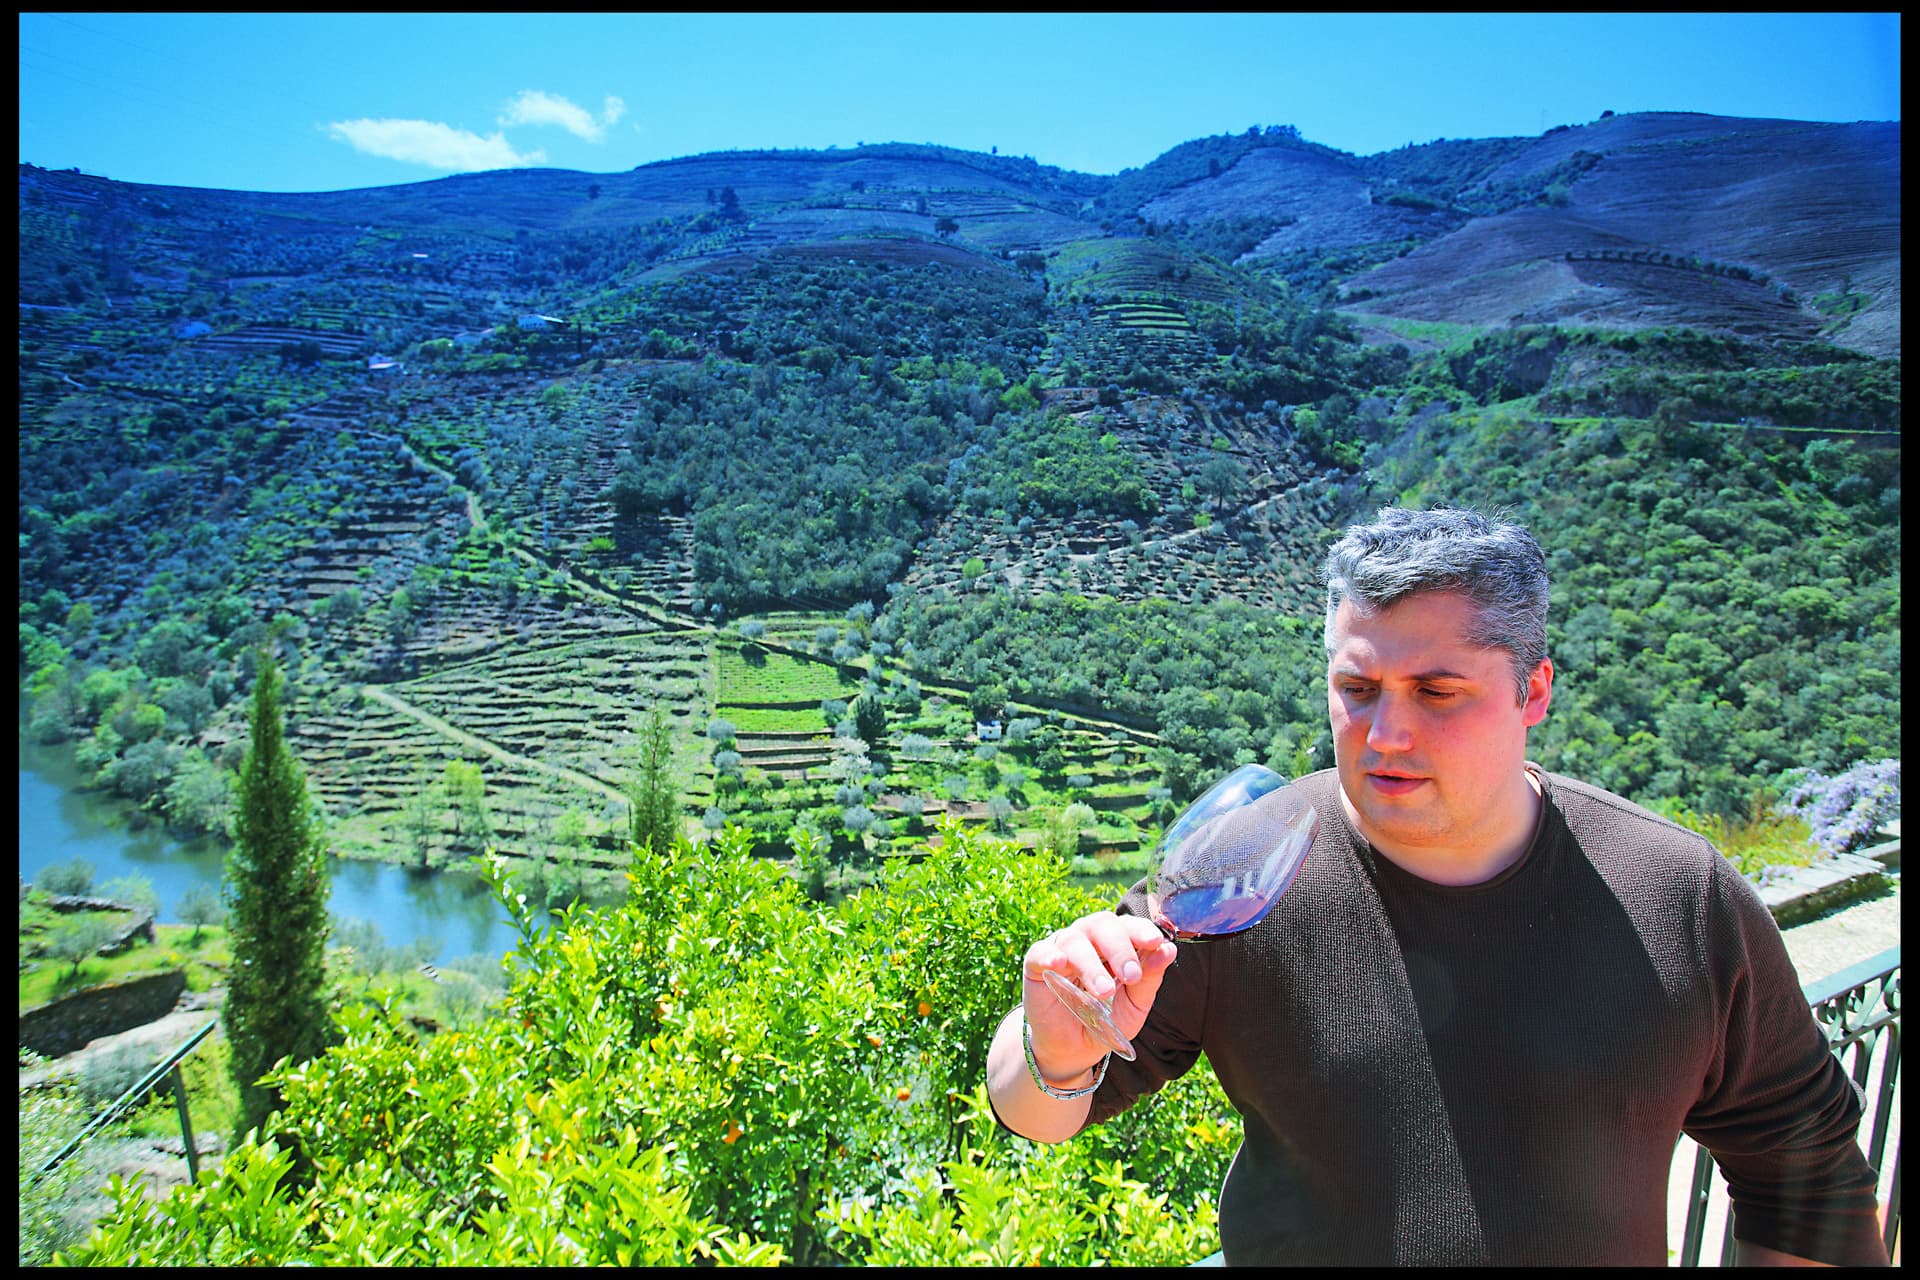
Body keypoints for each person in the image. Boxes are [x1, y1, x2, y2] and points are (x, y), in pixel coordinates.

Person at [986, 505, 1890, 1266]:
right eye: (1358, 687)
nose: (1384, 733)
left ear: (1533, 691)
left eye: (1437, 690)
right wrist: (1052, 1042)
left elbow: (1804, 1168)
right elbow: (1036, 1109)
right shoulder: (1238, 873)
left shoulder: (1678, 897)